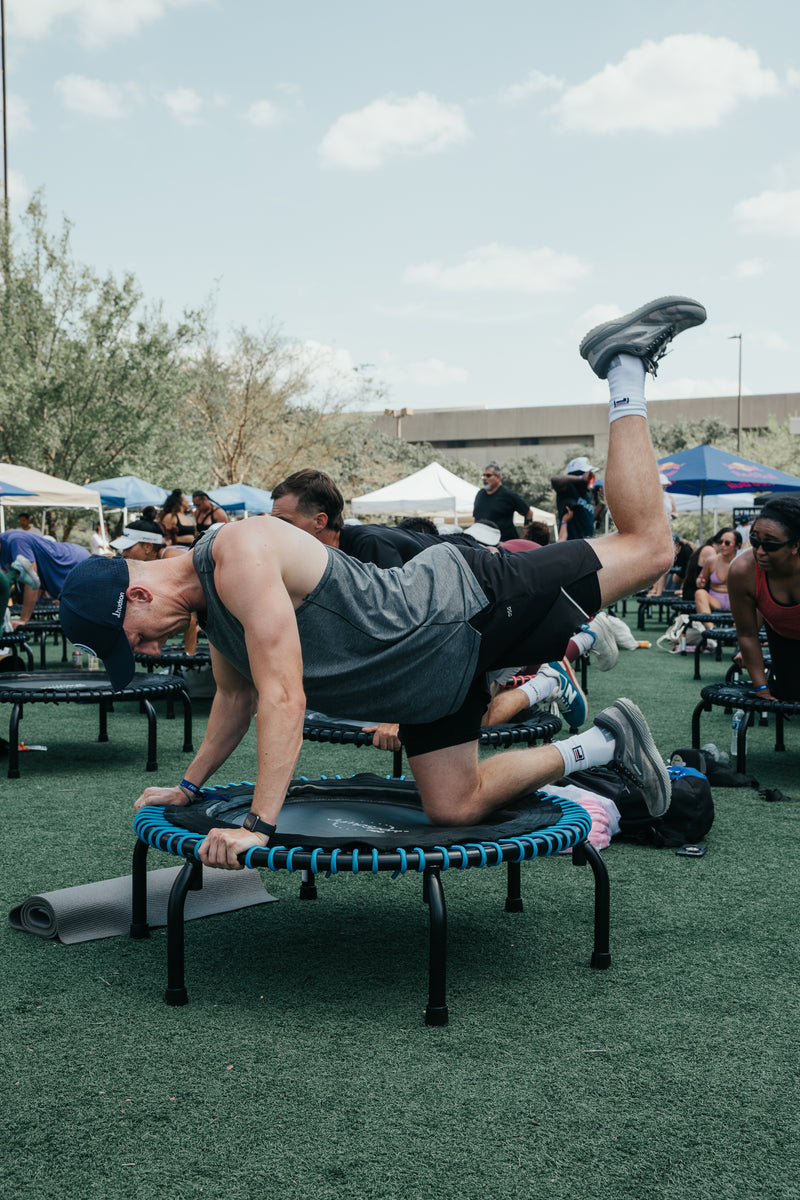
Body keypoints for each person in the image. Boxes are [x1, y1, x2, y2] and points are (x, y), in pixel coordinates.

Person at [60, 295, 705, 870]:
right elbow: (236, 700)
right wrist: (191, 788)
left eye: (132, 641)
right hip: (428, 686)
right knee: (454, 807)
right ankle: (604, 741)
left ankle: (622, 365)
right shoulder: (208, 601)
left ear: (138, 595)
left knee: (649, 548)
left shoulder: (241, 553)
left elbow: (284, 698)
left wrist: (258, 824)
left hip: (465, 606)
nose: (145, 654)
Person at [728, 497, 800, 700]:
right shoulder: (743, 571)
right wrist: (762, 689)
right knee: (791, 696)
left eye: (770, 545)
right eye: (755, 541)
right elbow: (747, 634)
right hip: (783, 636)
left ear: (795, 545)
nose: (760, 551)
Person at [0, 529, 89, 625]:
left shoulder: (16, 540)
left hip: (74, 562)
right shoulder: (3, 551)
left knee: (87, 620)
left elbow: (32, 582)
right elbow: (3, 585)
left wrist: (23, 619)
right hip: (63, 572)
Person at [473, 465, 533, 541]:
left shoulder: (508, 495)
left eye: (488, 475)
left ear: (498, 478)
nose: (484, 478)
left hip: (505, 544)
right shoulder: (480, 494)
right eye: (483, 475)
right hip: (483, 543)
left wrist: (527, 537)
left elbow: (529, 513)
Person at [693, 529, 741, 614]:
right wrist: (700, 582)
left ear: (737, 546)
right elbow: (701, 579)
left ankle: (739, 624)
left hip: (736, 602)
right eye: (720, 542)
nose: (722, 545)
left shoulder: (743, 563)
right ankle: (710, 627)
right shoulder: (711, 561)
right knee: (700, 593)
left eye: (727, 543)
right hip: (715, 600)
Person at [551, 458, 597, 541]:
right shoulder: (568, 489)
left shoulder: (586, 496)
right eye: (588, 475)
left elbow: (589, 519)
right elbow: (555, 480)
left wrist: (601, 503)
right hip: (572, 545)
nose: (590, 478)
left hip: (586, 545)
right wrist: (581, 478)